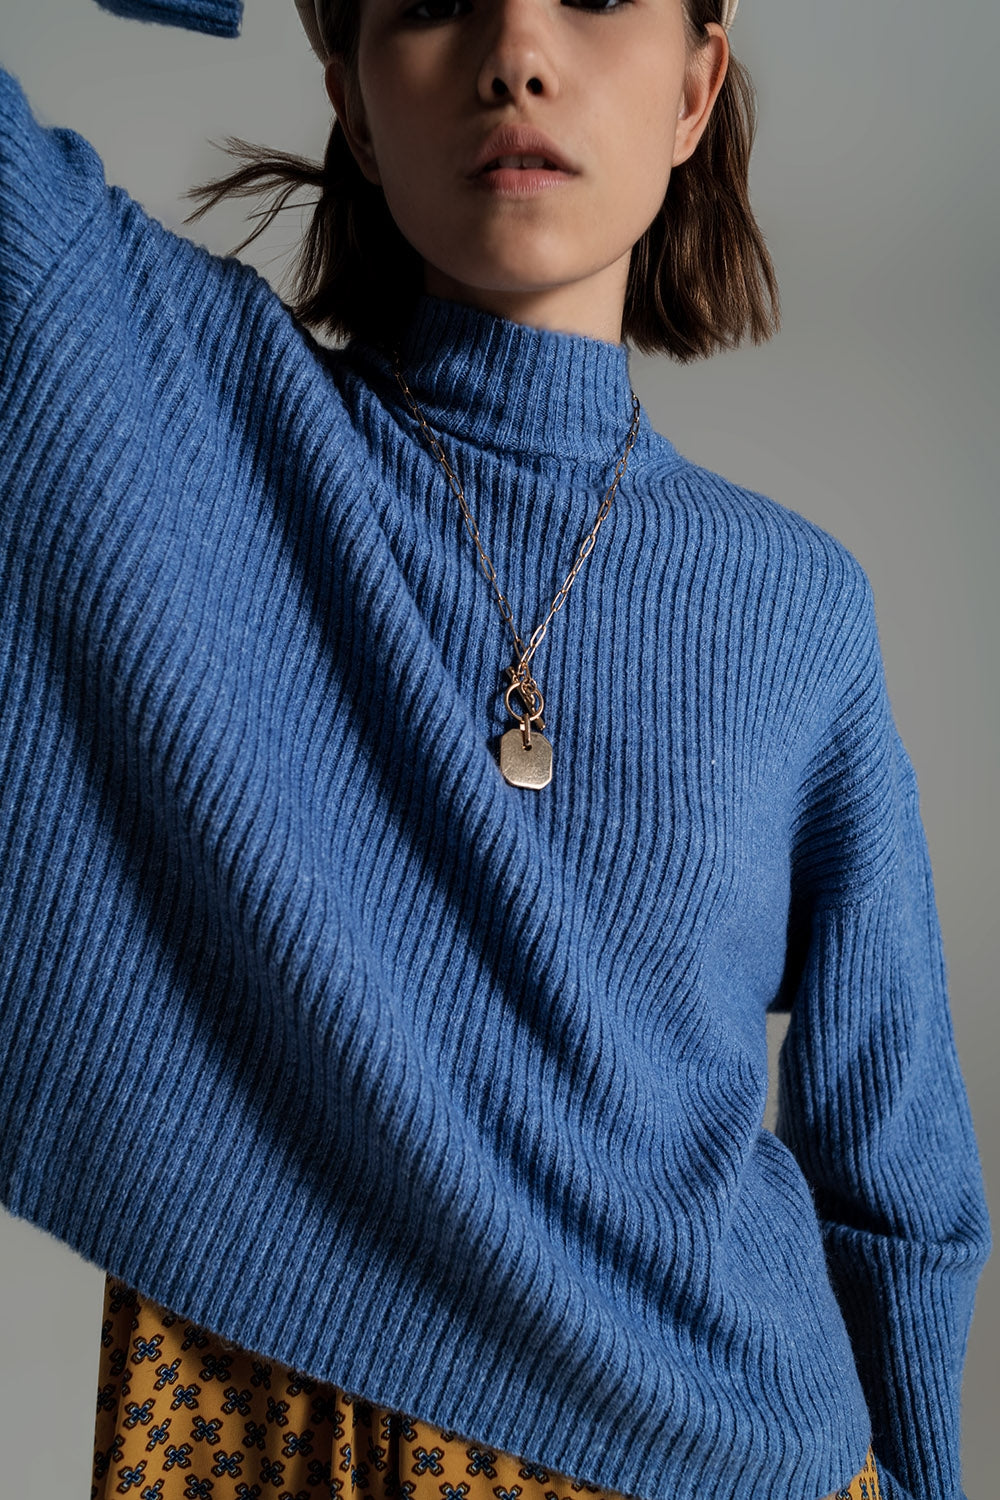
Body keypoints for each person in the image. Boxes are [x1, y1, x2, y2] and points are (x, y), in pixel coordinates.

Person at [0, 3, 990, 1500]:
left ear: (697, 85)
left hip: (719, 1455)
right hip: (281, 1434)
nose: (516, 50)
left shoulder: (795, 612)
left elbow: (896, 1168)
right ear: (347, 89)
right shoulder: (189, 419)